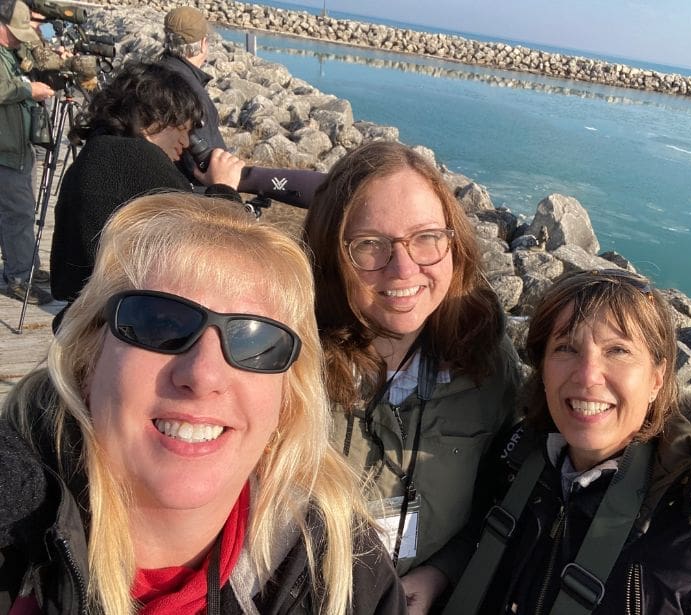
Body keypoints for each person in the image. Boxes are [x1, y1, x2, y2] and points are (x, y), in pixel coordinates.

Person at [0, 192, 407, 614]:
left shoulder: (339, 565)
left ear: (287, 400)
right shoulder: (14, 534)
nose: (203, 375)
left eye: (255, 342)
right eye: (158, 324)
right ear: (88, 360)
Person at [444, 268, 691, 614]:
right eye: (566, 348)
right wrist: (437, 574)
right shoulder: (514, 461)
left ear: (657, 378)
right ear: (542, 368)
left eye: (618, 350)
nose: (588, 375)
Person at [303, 141, 521, 613]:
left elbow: (506, 490)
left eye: (425, 237)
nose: (403, 268)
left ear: (453, 242)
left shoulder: (483, 355)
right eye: (369, 245)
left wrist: (446, 570)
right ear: (331, 253)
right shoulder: (290, 358)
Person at [50, 61, 244, 307]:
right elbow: (210, 250)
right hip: (121, 322)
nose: (186, 142)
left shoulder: (97, 152)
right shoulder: (139, 158)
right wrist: (225, 191)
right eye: (181, 128)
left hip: (85, 315)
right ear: (148, 120)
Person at [0, 0, 55, 304]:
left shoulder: (9, 51)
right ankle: (19, 277)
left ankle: (26, 266)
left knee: (19, 212)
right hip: (6, 151)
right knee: (18, 213)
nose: (20, 38)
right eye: (16, 32)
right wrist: (29, 90)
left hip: (15, 148)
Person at [158, 6, 226, 183]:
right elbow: (204, 162)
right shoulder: (191, 94)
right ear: (203, 43)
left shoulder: (154, 73)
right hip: (185, 193)